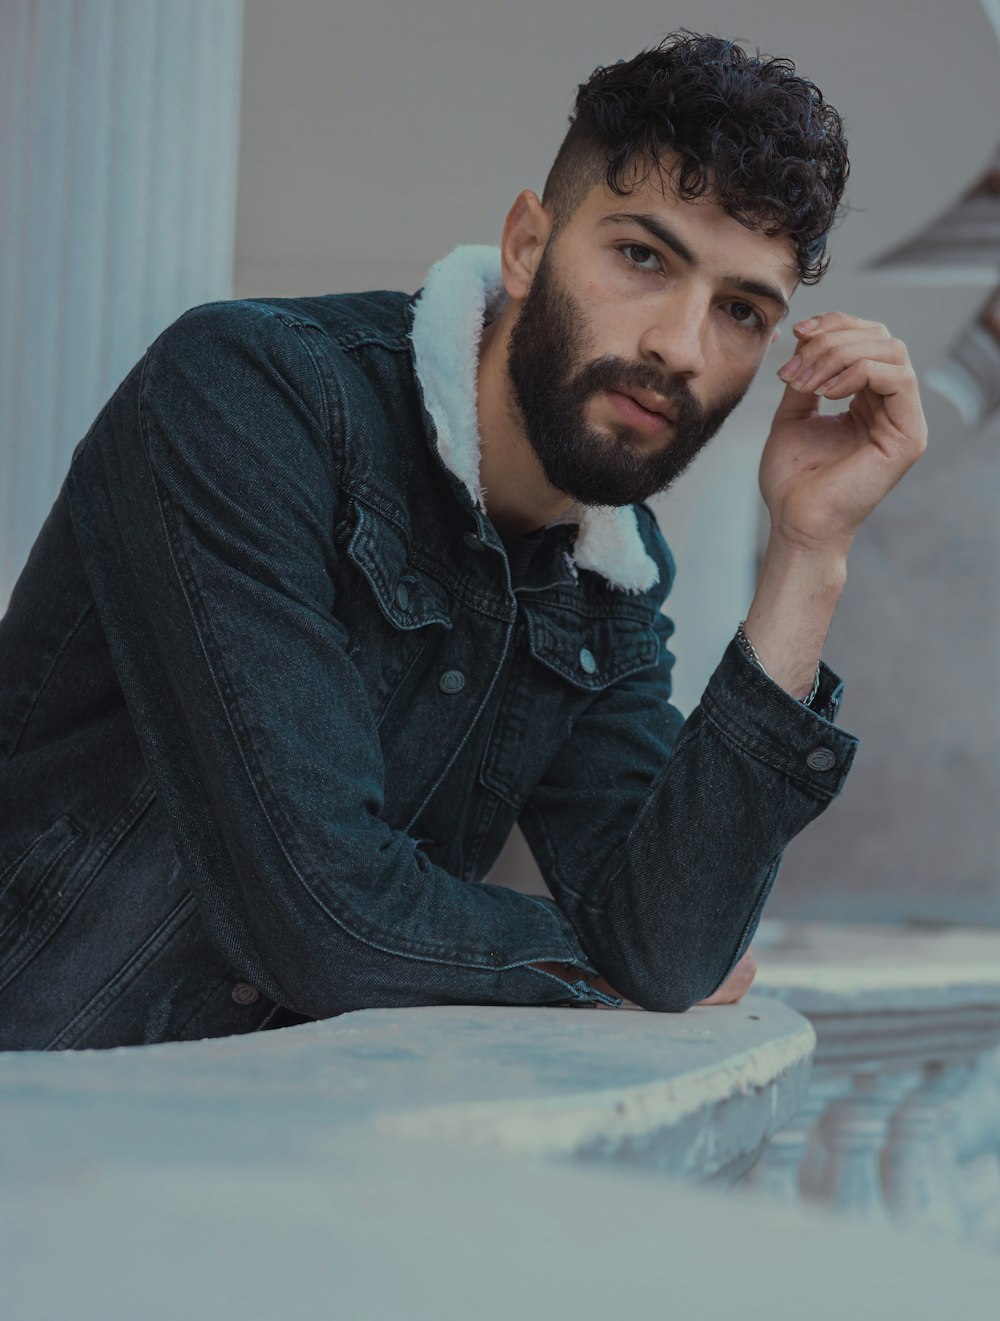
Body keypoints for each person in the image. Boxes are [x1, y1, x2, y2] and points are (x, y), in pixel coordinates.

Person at [0, 32, 925, 1050]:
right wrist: (608, 959)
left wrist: (808, 551)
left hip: (252, 1163)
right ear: (528, 244)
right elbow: (319, 914)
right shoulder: (251, 395)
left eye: (742, 310)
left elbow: (674, 942)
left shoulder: (610, 575)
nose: (678, 344)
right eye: (640, 256)